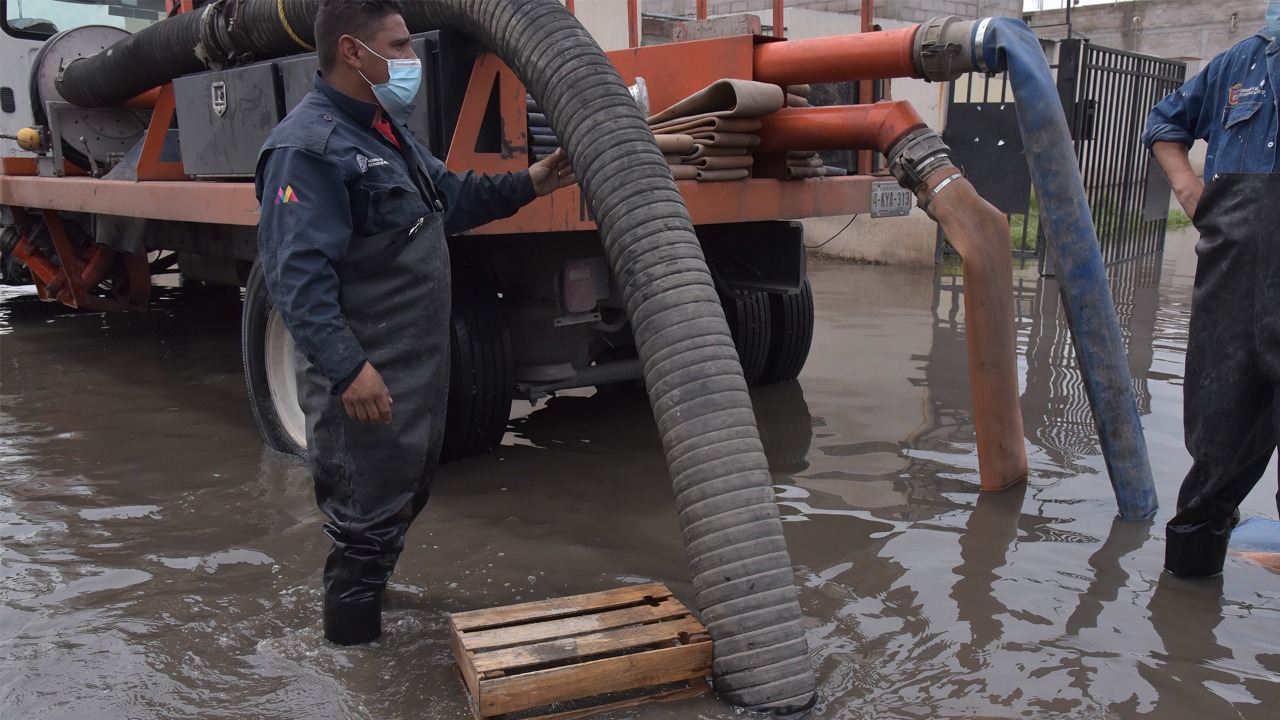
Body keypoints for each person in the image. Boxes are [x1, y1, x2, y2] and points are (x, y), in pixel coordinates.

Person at [254, 0, 575, 644]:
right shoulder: (307, 149)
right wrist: (349, 370)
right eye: (399, 46)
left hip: (410, 374)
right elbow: (297, 278)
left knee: (393, 508)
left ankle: (369, 616)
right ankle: (354, 666)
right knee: (363, 524)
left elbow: (449, 198)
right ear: (352, 51)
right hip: (368, 380)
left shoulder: (383, 132)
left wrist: (532, 182)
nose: (411, 60)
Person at [1142, 1, 1280, 578]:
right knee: (1218, 438)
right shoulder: (1241, 63)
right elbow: (1164, 125)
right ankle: (1183, 622)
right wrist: (1189, 191)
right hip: (1234, 281)